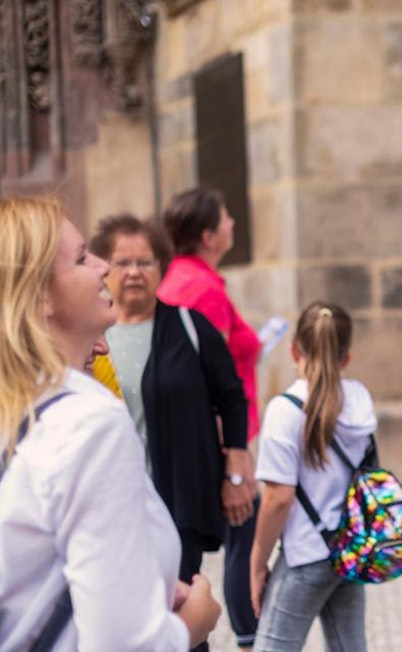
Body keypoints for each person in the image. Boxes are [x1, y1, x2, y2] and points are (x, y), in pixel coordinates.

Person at [0, 196, 221, 650]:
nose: (104, 267)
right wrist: (194, 622)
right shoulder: (88, 424)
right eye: (82, 258)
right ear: (40, 294)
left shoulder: (22, 404)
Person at [88, 214, 254, 650]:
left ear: (162, 265)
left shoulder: (188, 327)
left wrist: (236, 466)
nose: (134, 273)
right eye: (123, 262)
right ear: (103, 268)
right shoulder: (91, 337)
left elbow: (232, 397)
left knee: (178, 601)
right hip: (113, 502)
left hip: (177, 500)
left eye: (146, 261)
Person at [157, 188, 261, 648]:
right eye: (226, 218)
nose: (233, 223)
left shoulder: (180, 279)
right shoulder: (202, 290)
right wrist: (232, 465)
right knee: (243, 540)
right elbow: (208, 383)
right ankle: (248, 636)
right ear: (208, 235)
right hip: (220, 444)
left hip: (202, 441)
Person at [250, 301, 376, 652]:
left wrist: (257, 563)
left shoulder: (284, 410)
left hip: (305, 554)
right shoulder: (359, 398)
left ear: (294, 350)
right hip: (350, 548)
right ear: (346, 357)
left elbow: (277, 500)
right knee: (349, 646)